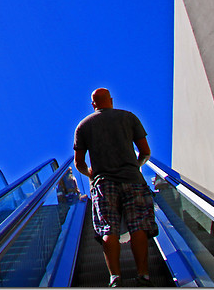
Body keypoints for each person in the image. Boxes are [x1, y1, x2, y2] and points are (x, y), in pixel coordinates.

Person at [73, 88, 158, 287]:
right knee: (139, 225)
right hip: (133, 179)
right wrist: (135, 166)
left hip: (104, 183)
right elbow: (145, 151)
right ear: (111, 100)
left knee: (107, 228)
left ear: (93, 104)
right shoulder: (128, 117)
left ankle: (115, 278)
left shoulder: (84, 126)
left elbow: (79, 163)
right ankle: (143, 275)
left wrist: (90, 174)